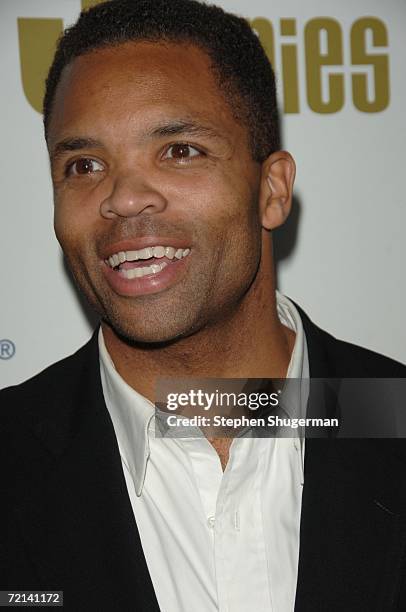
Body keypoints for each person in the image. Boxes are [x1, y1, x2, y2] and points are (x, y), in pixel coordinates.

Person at [1, 0, 406, 610]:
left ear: (272, 190)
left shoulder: (393, 418)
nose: (123, 199)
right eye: (84, 165)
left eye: (180, 150)